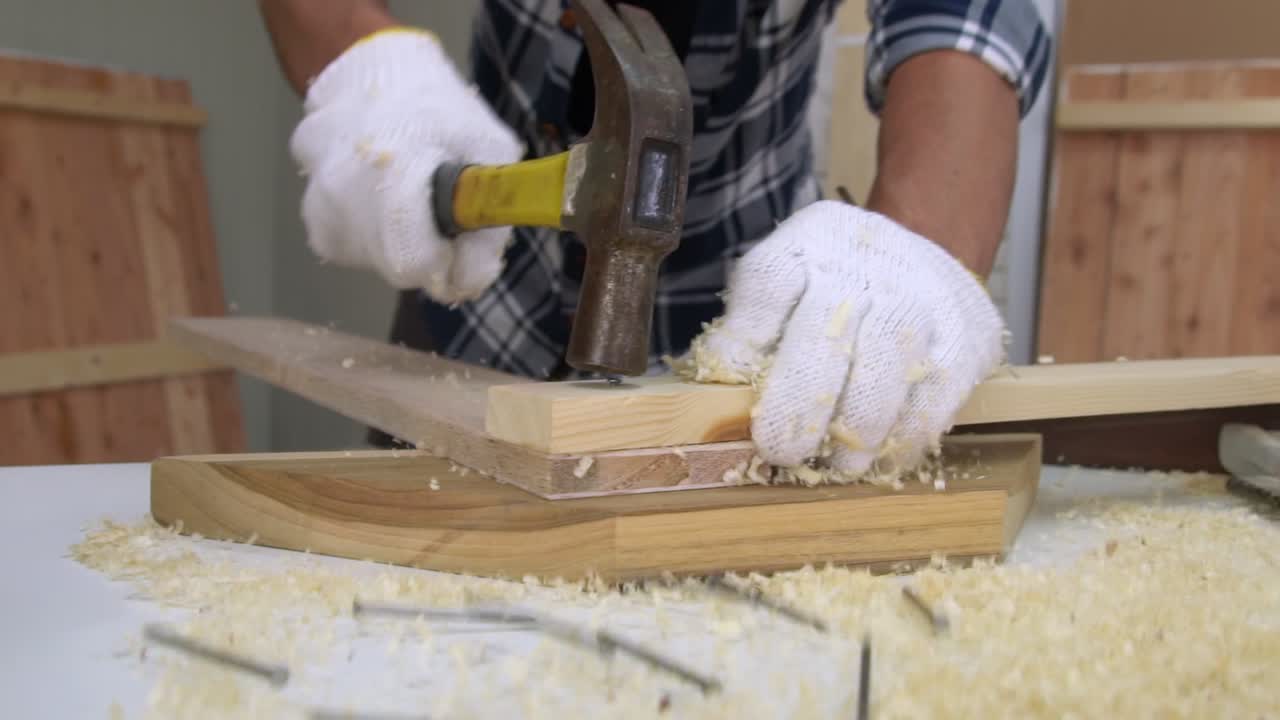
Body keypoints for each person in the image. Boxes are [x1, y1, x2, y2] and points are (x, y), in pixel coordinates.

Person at [259, 0, 1050, 480]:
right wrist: (368, 66)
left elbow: (964, 19)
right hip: (467, 319)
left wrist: (914, 249)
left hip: (744, 355)